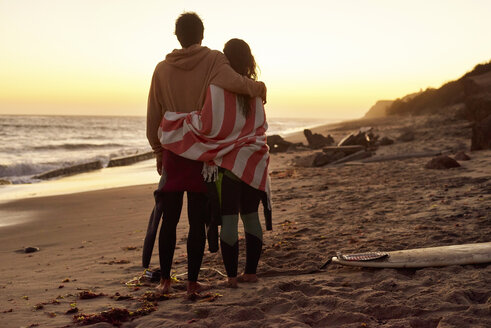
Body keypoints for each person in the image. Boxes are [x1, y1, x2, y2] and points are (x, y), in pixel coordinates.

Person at [146, 12, 267, 297]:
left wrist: (158, 150)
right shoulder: (213, 59)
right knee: (197, 216)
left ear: (177, 36)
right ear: (202, 34)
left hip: (173, 149)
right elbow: (237, 83)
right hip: (199, 148)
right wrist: (259, 89)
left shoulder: (161, 69)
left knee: (170, 217)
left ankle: (165, 282)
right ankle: (191, 283)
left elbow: (154, 113)